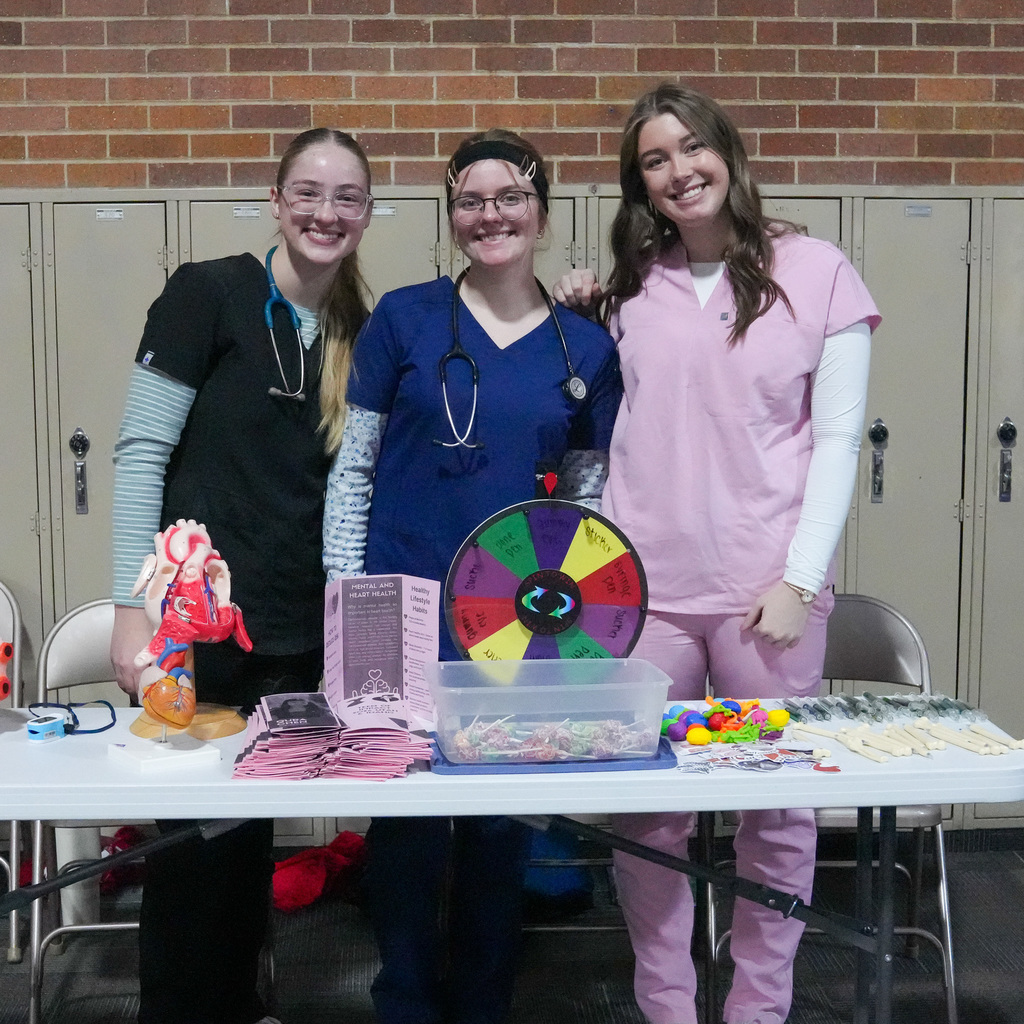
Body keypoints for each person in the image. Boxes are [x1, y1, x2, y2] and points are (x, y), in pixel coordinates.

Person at [554, 83, 880, 1024]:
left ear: (727, 152)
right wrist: (583, 301)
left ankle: (755, 1011)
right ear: (640, 184)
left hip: (761, 598)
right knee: (648, 819)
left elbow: (838, 442)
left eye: (691, 147)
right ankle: (667, 1008)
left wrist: (800, 580)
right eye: (654, 160)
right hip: (644, 598)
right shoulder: (634, 288)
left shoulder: (816, 271)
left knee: (772, 817)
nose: (678, 171)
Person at [323, 128, 622, 1024]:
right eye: (471, 201)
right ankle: (405, 1003)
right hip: (395, 605)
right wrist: (344, 597)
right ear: (451, 214)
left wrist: (572, 630)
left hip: (518, 623)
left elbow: (586, 505)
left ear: (542, 211)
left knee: (500, 830)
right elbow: (355, 467)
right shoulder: (405, 319)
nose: (491, 216)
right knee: (405, 830)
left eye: (510, 198)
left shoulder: (583, 348)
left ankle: (485, 1003)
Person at [109, 127, 374, 1024]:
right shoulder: (209, 293)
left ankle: (239, 1002)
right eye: (308, 192)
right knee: (194, 855)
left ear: (366, 214)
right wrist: (131, 613)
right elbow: (140, 453)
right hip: (194, 631)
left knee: (249, 843)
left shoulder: (356, 329)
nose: (325, 212)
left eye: (346, 197)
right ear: (275, 200)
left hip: (297, 636)